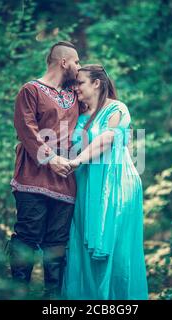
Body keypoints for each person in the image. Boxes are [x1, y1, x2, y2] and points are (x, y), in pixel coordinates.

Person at [62, 64, 149, 299]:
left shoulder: (116, 109)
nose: (75, 87)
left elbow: (106, 140)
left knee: (118, 253)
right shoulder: (78, 115)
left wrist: (76, 160)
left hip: (118, 186)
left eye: (79, 82)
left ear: (96, 83)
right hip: (86, 189)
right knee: (83, 250)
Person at [7, 41, 81, 299]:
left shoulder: (75, 95)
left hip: (66, 183)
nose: (79, 67)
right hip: (33, 179)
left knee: (57, 247)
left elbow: (99, 103)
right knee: (27, 238)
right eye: (77, 62)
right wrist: (50, 158)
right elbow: (26, 129)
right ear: (64, 62)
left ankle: (54, 302)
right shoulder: (31, 90)